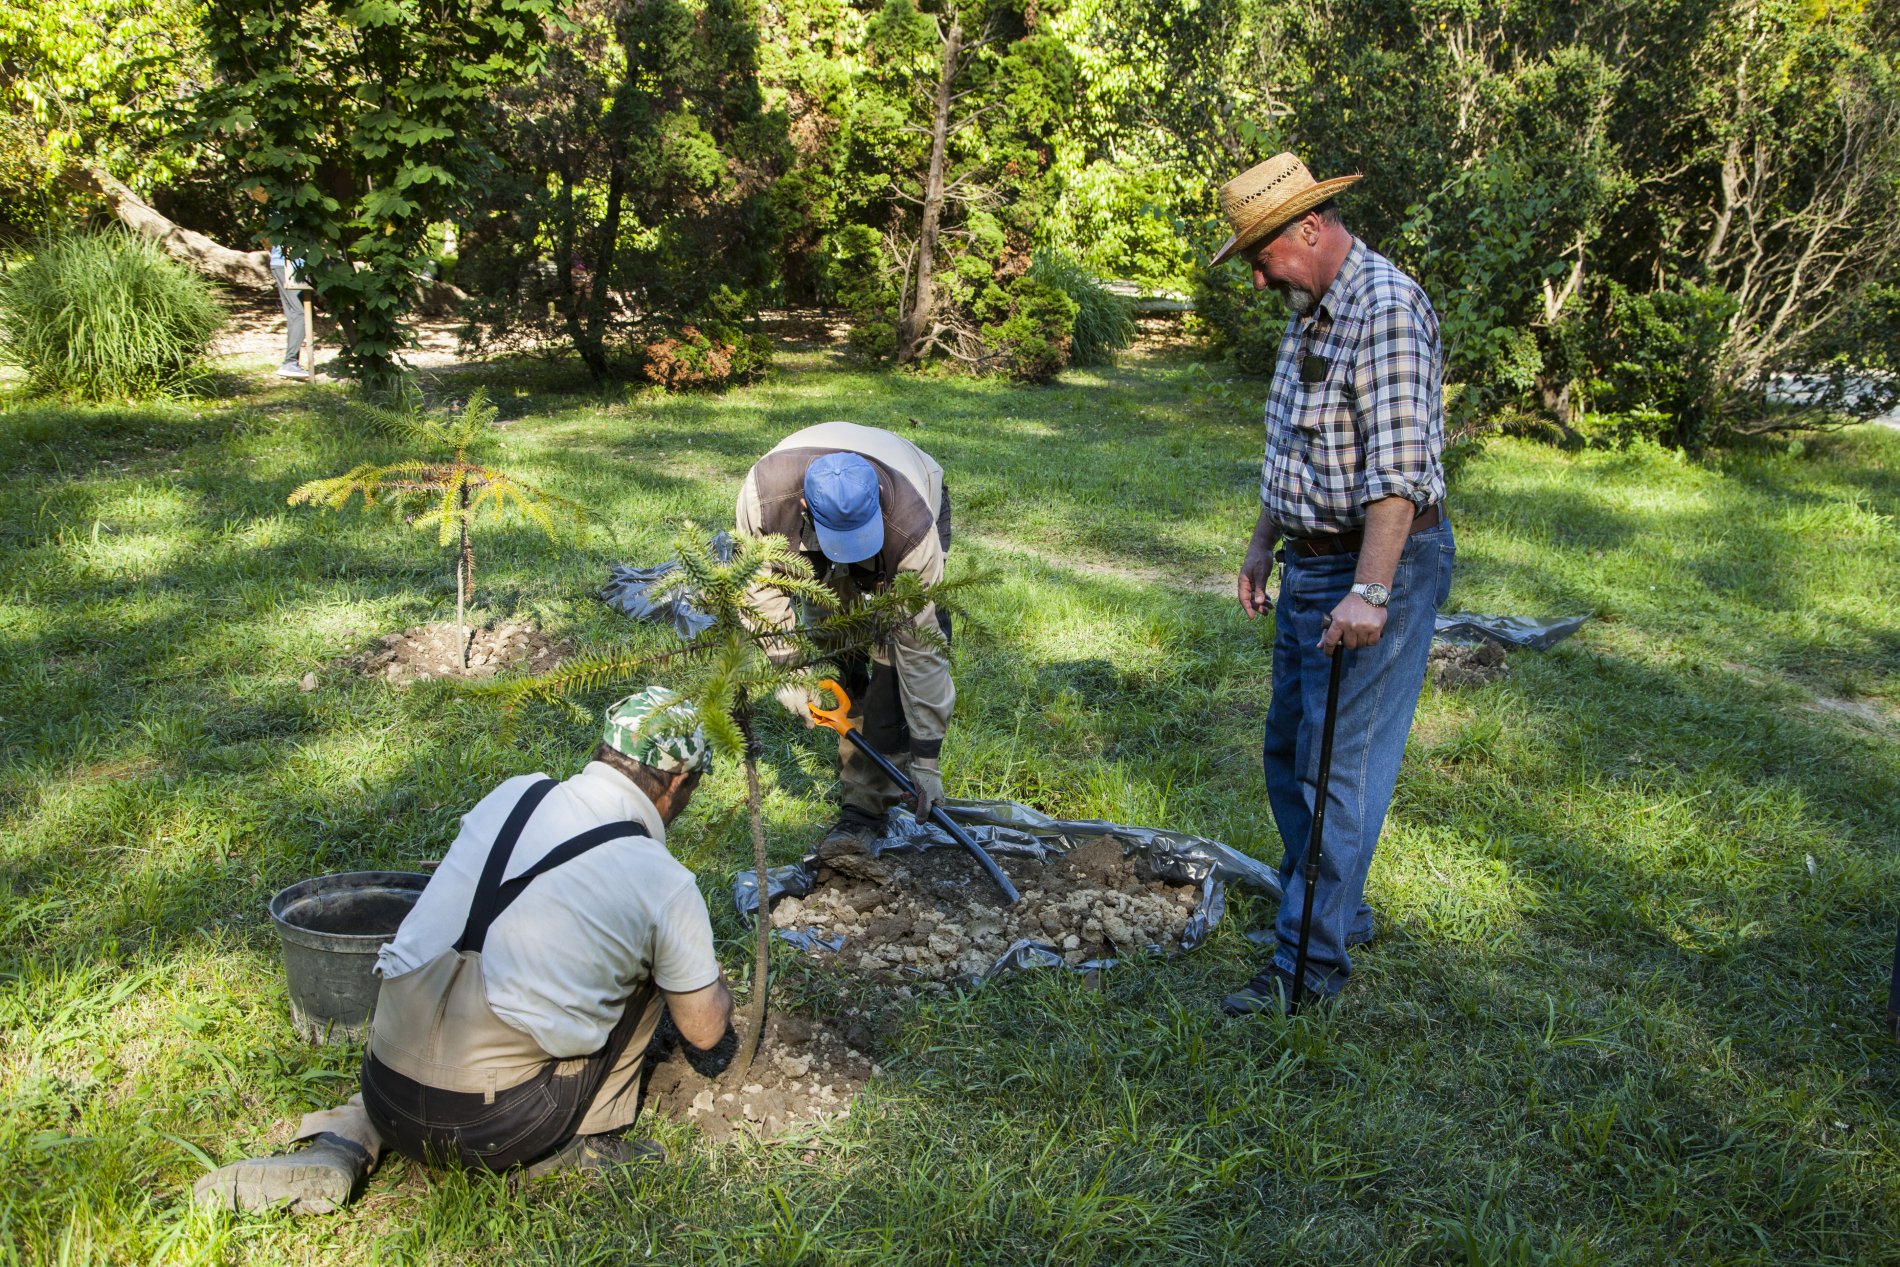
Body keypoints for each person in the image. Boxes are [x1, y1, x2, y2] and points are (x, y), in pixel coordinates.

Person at [194, 687, 734, 1214]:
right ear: (677, 783)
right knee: (656, 970)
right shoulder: (662, 880)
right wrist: (706, 981)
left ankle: (344, 1140)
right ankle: (578, 1143)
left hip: (386, 1085)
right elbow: (704, 1031)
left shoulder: (516, 793)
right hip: (499, 1123)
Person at [1211, 153, 1456, 1015]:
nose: (1254, 274)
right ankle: (1322, 912)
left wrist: (1372, 593)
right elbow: (1298, 452)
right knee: (1288, 748)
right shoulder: (1312, 311)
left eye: (1259, 253)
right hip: (1308, 561)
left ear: (1308, 228)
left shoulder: (1383, 311)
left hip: (1370, 566)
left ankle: (1307, 965)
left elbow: (1395, 479)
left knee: (1332, 770)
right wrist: (1259, 543)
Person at [735, 422, 954, 854]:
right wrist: (788, 665)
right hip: (798, 528)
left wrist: (927, 758)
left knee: (893, 657)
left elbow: (921, 647)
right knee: (834, 633)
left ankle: (864, 812)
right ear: (804, 506)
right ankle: (853, 713)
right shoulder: (764, 498)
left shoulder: (911, 527)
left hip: (911, 493)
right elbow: (758, 587)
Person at [245, 185, 311, 379]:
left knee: (293, 313)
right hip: (290, 264)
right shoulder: (287, 208)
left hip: (282, 263)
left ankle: (291, 362)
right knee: (299, 312)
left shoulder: (276, 208)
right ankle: (290, 362)